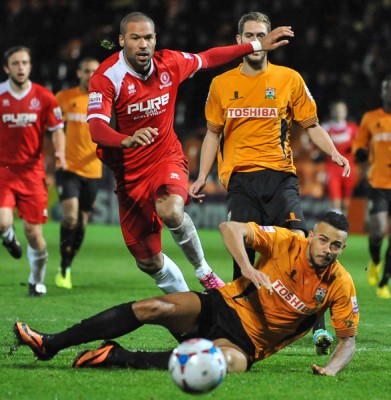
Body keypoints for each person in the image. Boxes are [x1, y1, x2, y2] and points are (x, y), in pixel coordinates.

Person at [85, 11, 295, 293]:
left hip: (165, 157)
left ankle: (204, 271)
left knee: (171, 210)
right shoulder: (107, 77)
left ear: (155, 39)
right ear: (122, 41)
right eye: (135, 38)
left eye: (148, 37)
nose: (143, 44)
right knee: (149, 262)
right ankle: (188, 307)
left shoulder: (170, 63)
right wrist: (125, 139)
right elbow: (96, 129)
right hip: (129, 173)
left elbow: (209, 58)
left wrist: (256, 45)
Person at [14, 211, 358, 376]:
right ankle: (50, 344)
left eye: (337, 245)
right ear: (312, 235)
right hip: (221, 306)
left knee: (225, 366)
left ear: (342, 248)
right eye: (323, 239)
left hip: (246, 345)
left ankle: (117, 357)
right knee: (154, 307)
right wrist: (248, 267)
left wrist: (331, 369)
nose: (328, 249)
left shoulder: (340, 284)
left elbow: (347, 341)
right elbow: (230, 228)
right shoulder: (287, 242)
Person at [189, 12, 350, 351]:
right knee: (243, 251)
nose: (257, 41)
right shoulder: (220, 84)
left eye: (262, 34)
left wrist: (334, 153)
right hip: (240, 181)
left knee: (302, 243)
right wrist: (202, 176)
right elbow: (212, 135)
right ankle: (235, 325)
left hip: (280, 178)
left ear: (271, 40)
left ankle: (318, 327)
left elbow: (312, 124)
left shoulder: (289, 79)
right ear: (239, 41)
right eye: (250, 35)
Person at [0, 46, 66, 297]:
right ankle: (8, 237)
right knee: (3, 221)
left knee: (34, 233)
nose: (20, 67)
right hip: (3, 171)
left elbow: (57, 129)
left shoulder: (45, 97)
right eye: (15, 63)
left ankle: (36, 280)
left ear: (30, 66)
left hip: (32, 172)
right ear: (7, 68)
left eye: (24, 63)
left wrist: (59, 153)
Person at [54, 57, 101, 290]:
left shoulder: (104, 100)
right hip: (68, 167)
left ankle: (69, 264)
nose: (91, 75)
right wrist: (55, 156)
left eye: (95, 71)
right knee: (70, 216)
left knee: (82, 222)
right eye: (86, 71)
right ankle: (63, 267)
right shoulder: (64, 98)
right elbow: (52, 130)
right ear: (79, 74)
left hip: (93, 170)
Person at [352, 75, 391, 299]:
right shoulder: (371, 118)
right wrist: (360, 151)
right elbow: (359, 141)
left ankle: (384, 281)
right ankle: (375, 260)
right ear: (383, 92)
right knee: (377, 232)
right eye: (388, 89)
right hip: (379, 183)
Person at [321, 100, 358, 214]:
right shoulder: (325, 128)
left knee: (346, 203)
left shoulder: (352, 128)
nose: (339, 112)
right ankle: (336, 228)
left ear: (346, 112)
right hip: (332, 168)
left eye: (341, 110)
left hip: (349, 168)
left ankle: (344, 228)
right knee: (335, 201)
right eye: (337, 110)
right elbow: (316, 146)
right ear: (332, 112)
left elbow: (360, 144)